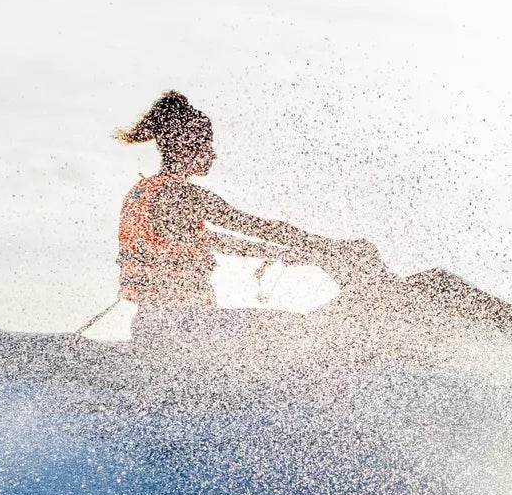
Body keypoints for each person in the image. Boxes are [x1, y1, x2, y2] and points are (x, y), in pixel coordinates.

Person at [115, 91, 362, 341]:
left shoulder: (140, 192)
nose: (213, 154)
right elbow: (258, 228)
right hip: (186, 326)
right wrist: (326, 248)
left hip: (148, 325)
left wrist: (281, 253)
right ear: (187, 145)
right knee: (296, 331)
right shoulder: (182, 194)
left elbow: (210, 240)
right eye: (207, 145)